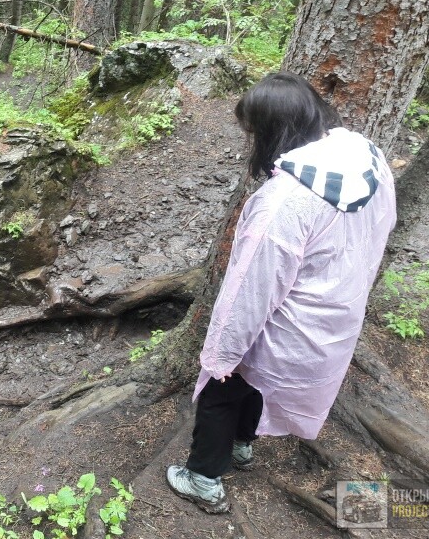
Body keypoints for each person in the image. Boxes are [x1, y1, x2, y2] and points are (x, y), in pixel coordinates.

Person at [166, 73, 397, 513]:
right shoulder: (362, 154)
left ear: (272, 132)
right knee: (257, 384)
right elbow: (383, 224)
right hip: (334, 315)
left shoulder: (285, 201)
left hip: (287, 320)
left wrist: (220, 353)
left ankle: (203, 480)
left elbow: (251, 289)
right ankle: (241, 446)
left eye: (254, 132)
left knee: (224, 385)